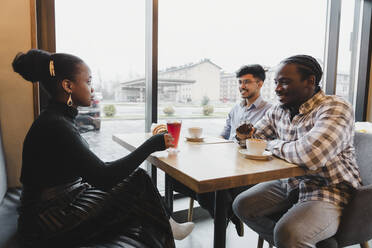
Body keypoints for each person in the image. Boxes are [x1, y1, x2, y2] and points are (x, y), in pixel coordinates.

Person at [12, 49, 194, 248]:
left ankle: (166, 226)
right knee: (138, 183)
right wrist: (151, 144)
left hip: (61, 202)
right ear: (68, 85)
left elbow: (92, 170)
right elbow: (104, 177)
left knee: (137, 184)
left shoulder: (58, 119)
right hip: (48, 220)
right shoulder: (56, 125)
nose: (92, 88)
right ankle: (168, 227)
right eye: (88, 81)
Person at [232, 55, 362, 248]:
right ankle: (296, 242)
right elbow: (252, 139)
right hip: (291, 182)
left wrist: (269, 144)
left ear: (310, 81)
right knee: (242, 205)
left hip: (328, 187)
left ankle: (293, 240)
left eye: (284, 83)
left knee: (288, 233)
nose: (276, 88)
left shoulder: (335, 107)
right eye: (276, 82)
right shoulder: (279, 110)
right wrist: (243, 136)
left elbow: (309, 155)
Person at [171, 64, 272, 236]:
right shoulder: (236, 108)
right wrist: (206, 146)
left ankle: (224, 213)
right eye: (240, 82)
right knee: (177, 179)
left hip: (249, 167)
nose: (242, 86)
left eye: (247, 82)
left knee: (207, 183)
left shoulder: (270, 111)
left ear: (260, 83)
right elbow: (224, 135)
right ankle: (227, 214)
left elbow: (266, 144)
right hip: (227, 161)